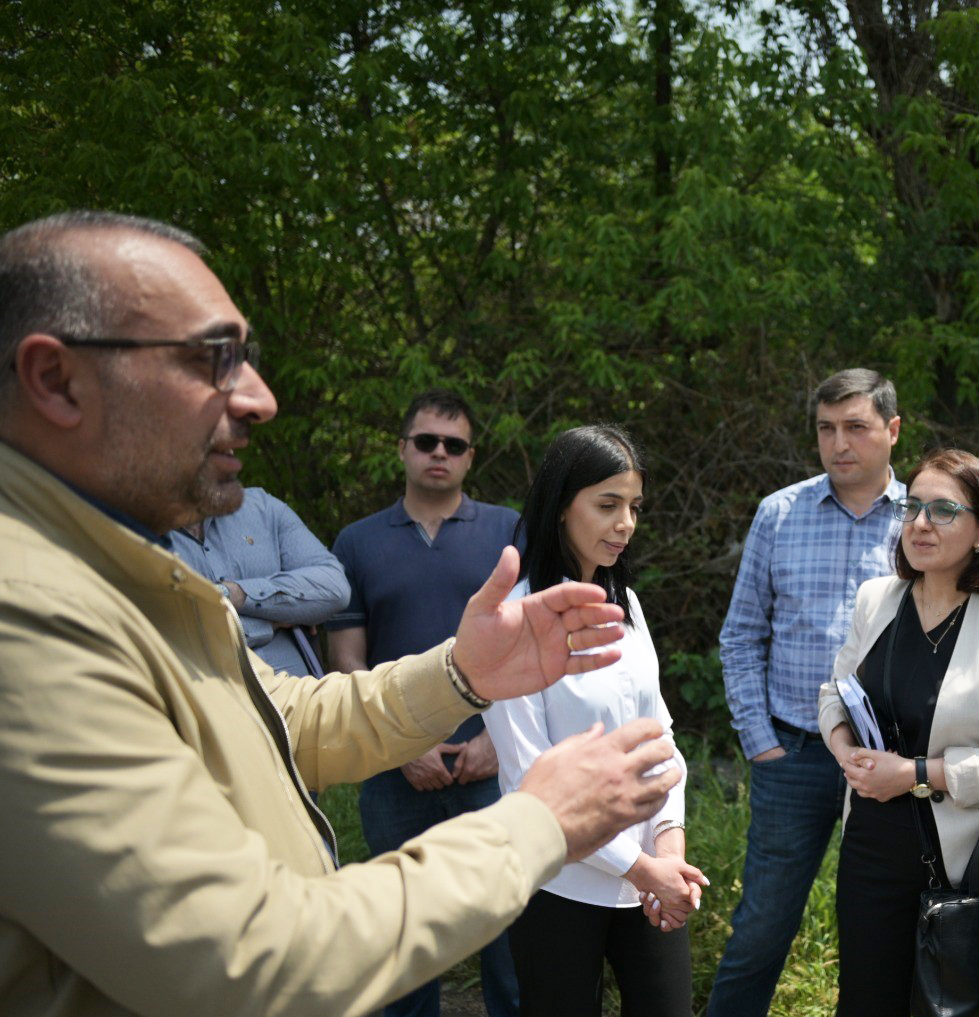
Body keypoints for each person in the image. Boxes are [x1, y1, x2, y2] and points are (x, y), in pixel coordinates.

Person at [0, 210, 680, 1017]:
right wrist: (539, 821)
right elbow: (251, 960)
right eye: (213, 358)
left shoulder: (121, 571)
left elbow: (286, 716)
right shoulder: (29, 615)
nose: (260, 397)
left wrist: (461, 674)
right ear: (56, 379)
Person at [819, 447, 979, 1017]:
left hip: (973, 857)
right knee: (867, 1001)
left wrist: (912, 775)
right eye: (912, 507)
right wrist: (844, 750)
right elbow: (835, 692)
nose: (920, 523)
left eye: (943, 511)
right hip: (873, 846)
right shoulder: (877, 598)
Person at [482, 424, 704, 1017]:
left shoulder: (626, 605)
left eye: (634, 506)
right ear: (561, 505)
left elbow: (660, 739)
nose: (625, 523)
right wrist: (643, 868)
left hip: (647, 879)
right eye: (607, 505)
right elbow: (531, 781)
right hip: (557, 881)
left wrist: (669, 846)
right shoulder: (514, 618)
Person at [708, 368, 905, 1016]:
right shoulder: (780, 513)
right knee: (763, 925)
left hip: (887, 762)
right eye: (826, 428)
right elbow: (741, 635)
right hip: (791, 752)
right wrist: (759, 740)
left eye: (856, 426)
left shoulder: (924, 518)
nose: (839, 443)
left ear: (892, 430)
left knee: (880, 927)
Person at [326, 388, 523, 1017]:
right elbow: (348, 659)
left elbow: (532, 644)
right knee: (402, 930)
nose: (440, 453)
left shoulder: (509, 532)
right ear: (402, 448)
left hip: (493, 763)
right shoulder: (356, 542)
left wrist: (500, 739)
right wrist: (400, 744)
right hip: (395, 769)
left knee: (510, 930)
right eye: (427, 441)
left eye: (454, 444)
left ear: (470, 457)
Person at [170, 486, 349, 677]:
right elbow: (175, 639)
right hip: (209, 692)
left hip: (303, 693)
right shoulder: (147, 539)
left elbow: (335, 588)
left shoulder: (261, 507)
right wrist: (273, 620)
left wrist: (234, 594)